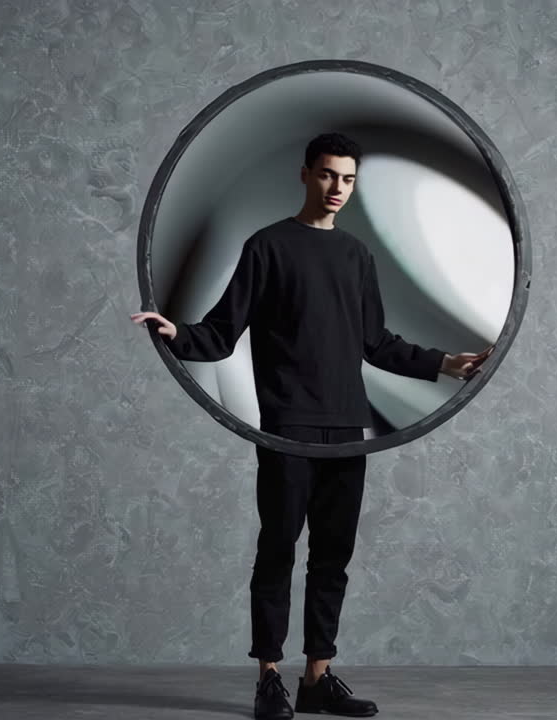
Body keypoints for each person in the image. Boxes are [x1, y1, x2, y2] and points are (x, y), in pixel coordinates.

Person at [132, 132, 493, 719]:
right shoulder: (268, 246)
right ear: (305, 175)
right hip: (288, 427)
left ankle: (318, 679)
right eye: (327, 175)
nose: (337, 189)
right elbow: (223, 333)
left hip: (349, 429)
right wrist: (178, 334)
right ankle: (269, 678)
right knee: (277, 551)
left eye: (348, 180)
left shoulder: (356, 256)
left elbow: (377, 344)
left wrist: (446, 363)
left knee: (333, 555)